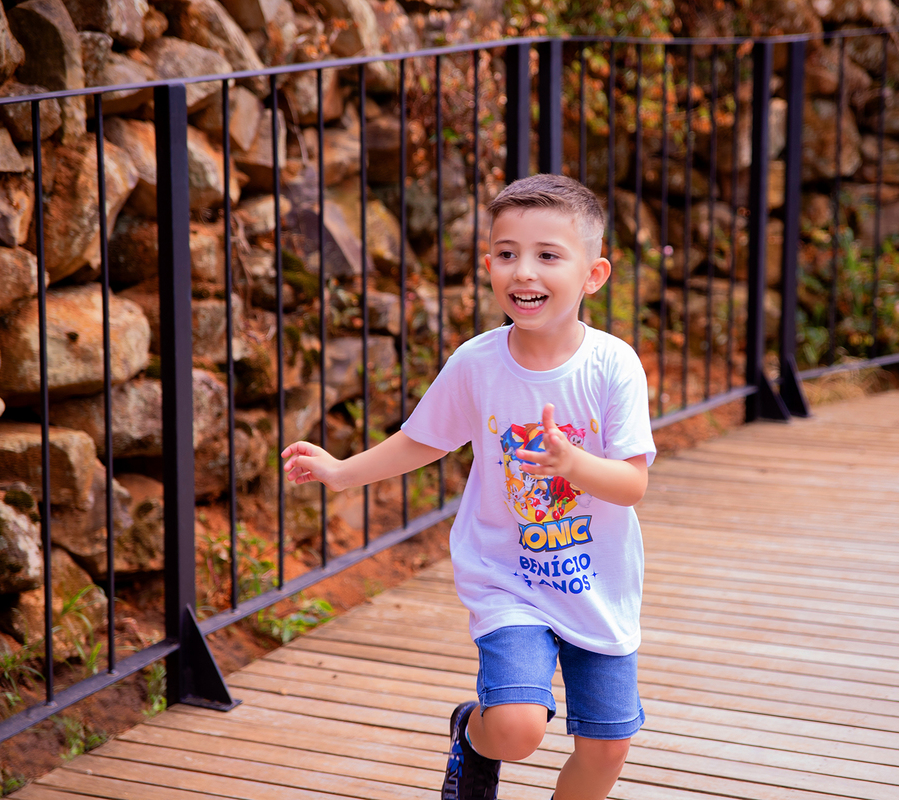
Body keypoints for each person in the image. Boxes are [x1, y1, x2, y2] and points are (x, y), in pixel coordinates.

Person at [281, 173, 656, 800]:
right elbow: (424, 439)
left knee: (606, 747)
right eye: (507, 254)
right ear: (488, 266)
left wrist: (571, 463)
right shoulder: (477, 363)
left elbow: (631, 485)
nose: (523, 271)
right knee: (514, 728)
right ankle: (474, 737)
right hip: (508, 578)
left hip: (599, 584)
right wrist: (343, 471)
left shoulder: (613, 366)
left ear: (593, 275)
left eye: (548, 255)